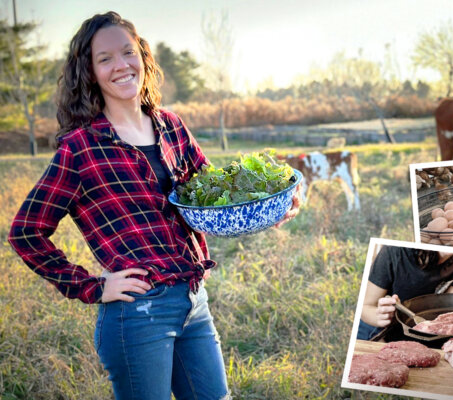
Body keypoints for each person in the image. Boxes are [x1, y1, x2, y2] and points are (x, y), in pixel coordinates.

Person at [8, 11, 299, 400]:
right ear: (89, 72)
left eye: (128, 52)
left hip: (194, 302)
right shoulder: (81, 149)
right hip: (138, 314)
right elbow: (26, 231)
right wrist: (91, 285)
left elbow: (211, 202)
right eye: (105, 58)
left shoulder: (172, 127)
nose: (121, 65)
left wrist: (272, 206)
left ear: (142, 57)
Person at [358, 246, 453, 341]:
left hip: (415, 329)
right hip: (374, 328)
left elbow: (449, 305)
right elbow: (365, 307)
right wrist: (382, 317)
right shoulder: (395, 250)